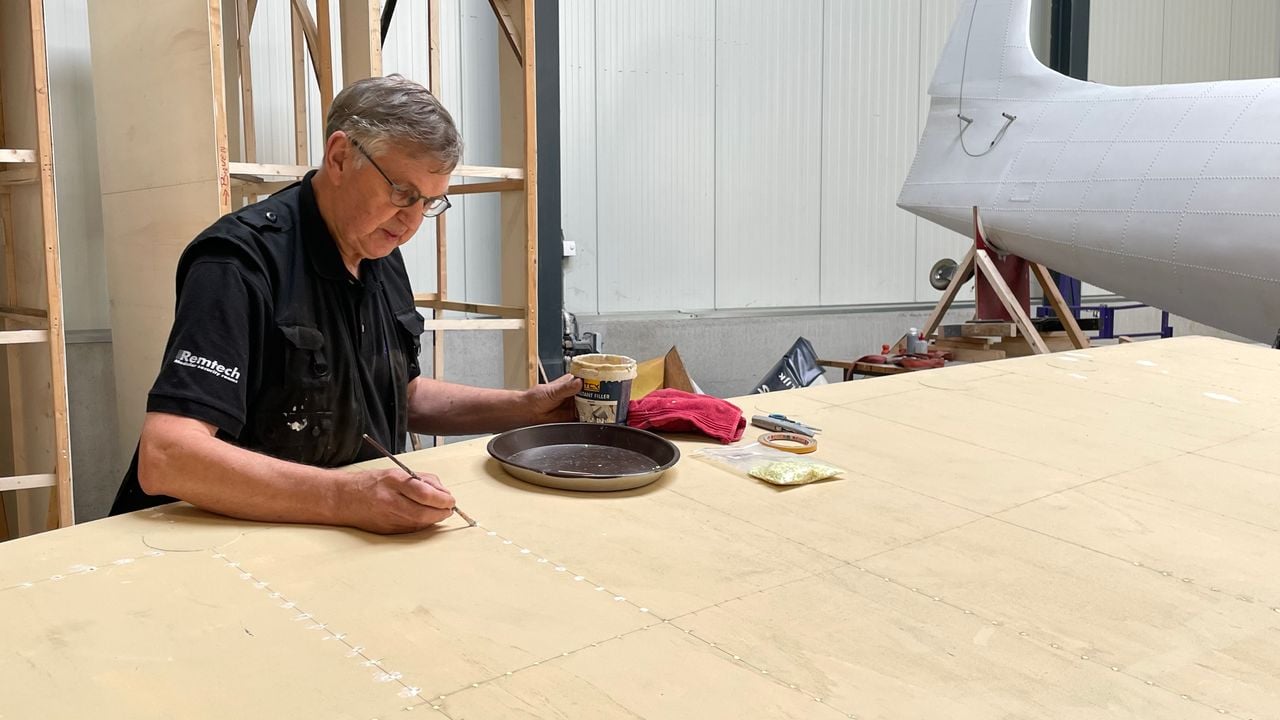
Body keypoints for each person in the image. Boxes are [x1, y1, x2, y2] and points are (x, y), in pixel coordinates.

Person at [108, 74, 579, 534]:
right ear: (339, 157)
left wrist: (525, 407)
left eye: (430, 203)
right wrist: (347, 496)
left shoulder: (378, 248)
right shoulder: (239, 261)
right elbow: (168, 456)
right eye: (401, 193)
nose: (412, 221)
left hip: (331, 533)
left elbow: (401, 393)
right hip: (214, 541)